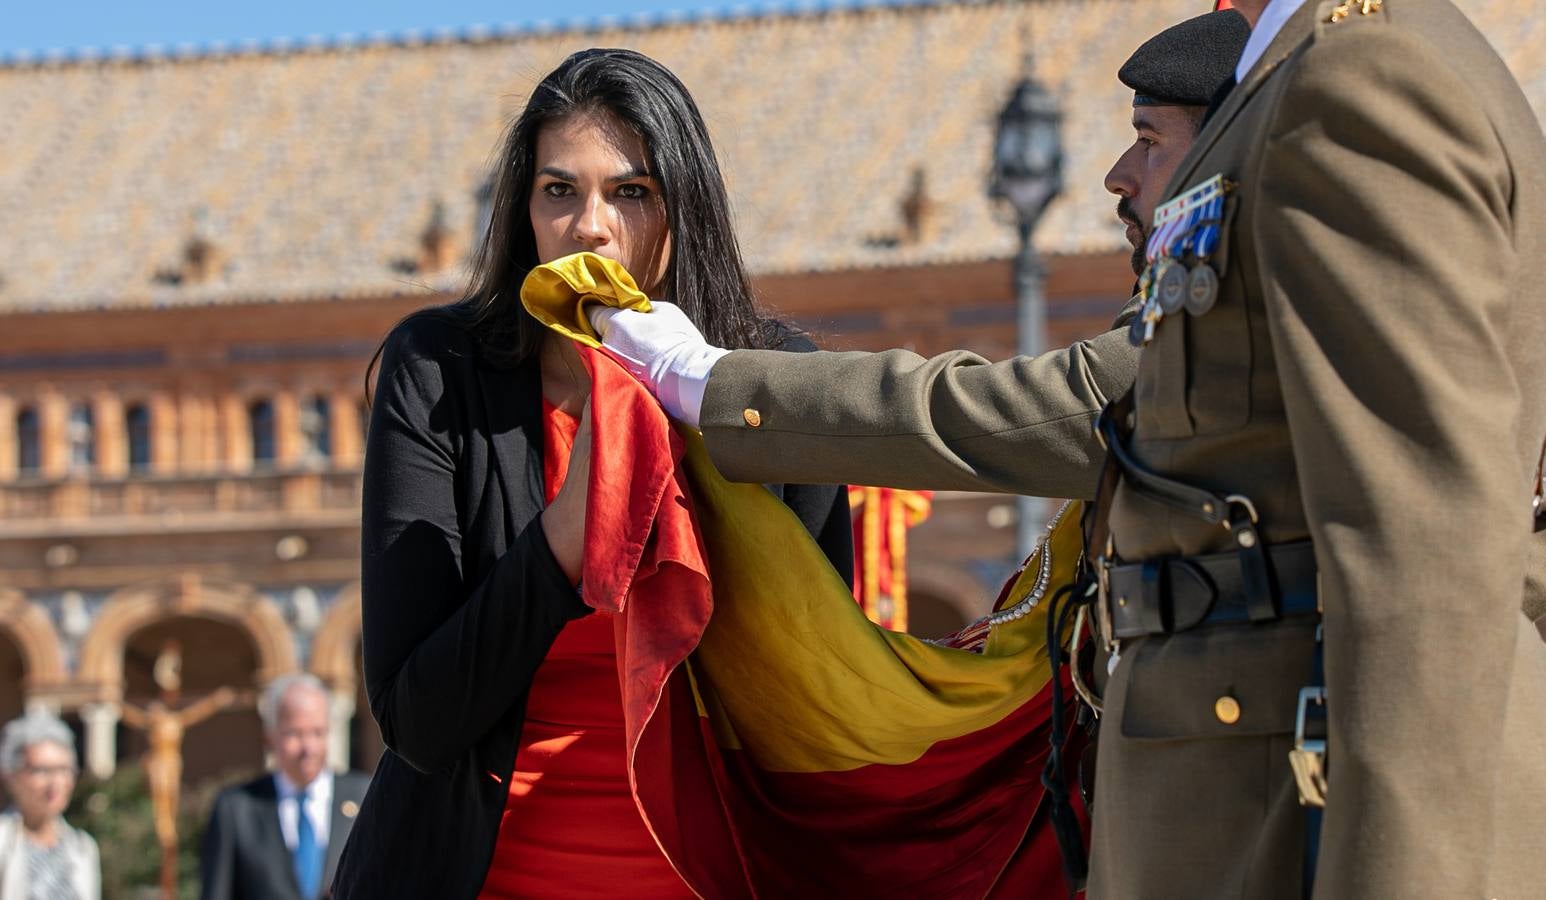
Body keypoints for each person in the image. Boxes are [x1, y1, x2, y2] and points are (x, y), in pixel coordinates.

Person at [593, 1, 1546, 898]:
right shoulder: (1348, 63)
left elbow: (1425, 555)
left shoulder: (1358, 74)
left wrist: (708, 380)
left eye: (1152, 140)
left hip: (1278, 808)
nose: (1120, 178)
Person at [331, 49, 852, 900]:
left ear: (686, 209)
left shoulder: (770, 382)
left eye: (631, 192)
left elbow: (818, 703)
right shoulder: (438, 370)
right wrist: (565, 539)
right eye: (559, 191)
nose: (591, 226)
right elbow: (416, 721)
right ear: (525, 213)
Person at [200, 675, 368, 900]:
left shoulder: (364, 797)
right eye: (295, 733)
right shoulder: (236, 808)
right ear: (270, 736)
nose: (308, 747)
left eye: (317, 732)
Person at [0, 713, 100, 900]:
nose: (55, 783)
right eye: (42, 770)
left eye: (64, 769)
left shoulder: (83, 848)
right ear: (11, 776)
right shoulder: (4, 842)